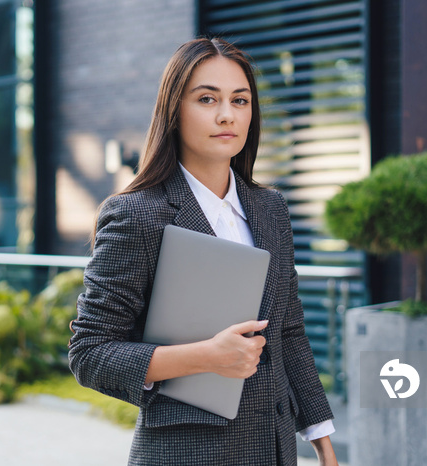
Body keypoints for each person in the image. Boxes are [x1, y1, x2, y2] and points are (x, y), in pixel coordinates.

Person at [68, 38, 338, 465]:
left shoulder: (271, 210)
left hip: (273, 450)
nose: (227, 114)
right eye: (207, 98)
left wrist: (322, 438)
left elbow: (288, 332)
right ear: (174, 110)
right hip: (187, 454)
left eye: (240, 100)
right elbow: (90, 353)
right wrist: (207, 357)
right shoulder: (137, 215)